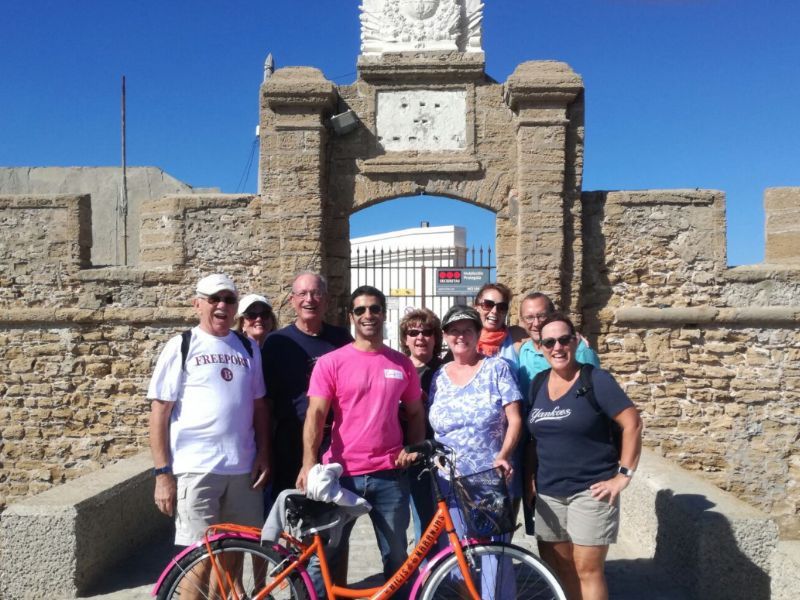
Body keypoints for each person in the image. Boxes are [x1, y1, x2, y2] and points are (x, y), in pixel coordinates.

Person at [297, 285, 425, 595]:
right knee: (324, 558)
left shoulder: (401, 363)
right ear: (351, 316)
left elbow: (416, 413)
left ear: (384, 313)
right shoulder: (331, 362)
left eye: (375, 309)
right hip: (341, 476)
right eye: (361, 310)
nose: (368, 315)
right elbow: (315, 415)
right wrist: (308, 464)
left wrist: (414, 449)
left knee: (397, 558)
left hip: (389, 475)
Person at [525, 313, 642, 600]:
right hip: (549, 493)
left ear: (575, 341)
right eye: (549, 342)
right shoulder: (538, 383)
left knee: (587, 569)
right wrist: (529, 480)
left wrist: (622, 477)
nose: (557, 347)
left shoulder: (596, 379)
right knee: (560, 567)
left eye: (564, 339)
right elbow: (532, 440)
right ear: (540, 347)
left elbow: (632, 423)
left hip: (591, 490)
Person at [148, 274, 270, 548]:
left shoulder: (248, 348)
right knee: (199, 560)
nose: (222, 306)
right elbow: (159, 413)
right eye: (214, 299)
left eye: (229, 300)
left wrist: (263, 453)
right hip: (197, 468)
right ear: (197, 304)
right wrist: (162, 474)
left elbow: (259, 405)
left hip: (243, 470)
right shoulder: (181, 345)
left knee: (235, 555)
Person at [428, 305, 523, 596]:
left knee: (493, 552)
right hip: (446, 480)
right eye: (454, 331)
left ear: (477, 334)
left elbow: (515, 419)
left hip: (487, 477)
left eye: (467, 330)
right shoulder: (438, 377)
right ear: (445, 336)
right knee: (455, 554)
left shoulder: (497, 368)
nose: (460, 336)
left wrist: (504, 455)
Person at [261, 272, 351, 502]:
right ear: (292, 300)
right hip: (290, 442)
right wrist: (266, 451)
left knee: (332, 515)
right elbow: (266, 402)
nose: (309, 299)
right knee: (291, 511)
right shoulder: (277, 343)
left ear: (327, 300)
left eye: (316, 293)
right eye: (302, 293)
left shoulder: (342, 340)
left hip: (334, 441)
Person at [398, 308, 444, 545]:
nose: (420, 337)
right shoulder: (397, 367)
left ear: (435, 337)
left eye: (427, 332)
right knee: (395, 522)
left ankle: (429, 572)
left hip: (429, 454)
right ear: (405, 338)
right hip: (396, 454)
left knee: (426, 520)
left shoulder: (445, 370)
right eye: (413, 332)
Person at [517, 292, 600, 403]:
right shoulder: (524, 351)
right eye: (529, 317)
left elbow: (597, 394)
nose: (536, 323)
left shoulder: (578, 349)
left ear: (552, 315)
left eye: (542, 316)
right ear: (522, 320)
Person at [473, 283, 526, 376]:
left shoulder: (517, 337)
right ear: (476, 307)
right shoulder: (465, 339)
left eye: (502, 307)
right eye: (488, 304)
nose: (494, 311)